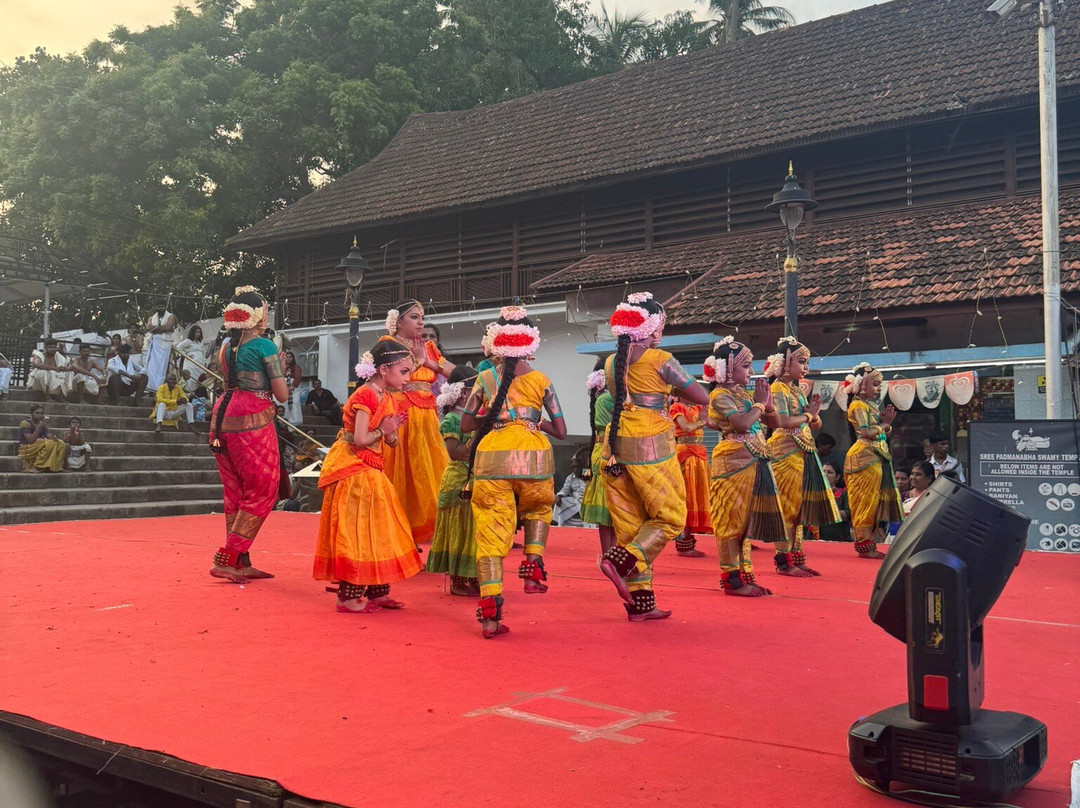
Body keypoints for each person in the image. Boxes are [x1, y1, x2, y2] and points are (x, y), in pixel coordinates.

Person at [596, 292, 709, 621]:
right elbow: (700, 395)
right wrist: (671, 387)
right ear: (654, 329)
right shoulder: (661, 360)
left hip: (615, 447)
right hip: (650, 443)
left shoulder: (609, 362)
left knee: (633, 525)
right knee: (671, 517)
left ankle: (641, 604)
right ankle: (618, 560)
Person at [461, 305, 567, 639]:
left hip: (492, 458)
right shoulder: (541, 380)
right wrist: (531, 421)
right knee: (538, 508)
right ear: (530, 342)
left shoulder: (485, 377)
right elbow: (562, 430)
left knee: (490, 535)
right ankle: (533, 567)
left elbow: (466, 423)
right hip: (534, 457)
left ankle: (490, 613)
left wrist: (495, 418)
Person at [313, 340, 421, 613]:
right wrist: (384, 430)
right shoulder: (365, 395)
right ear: (384, 370)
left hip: (371, 465)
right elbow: (361, 438)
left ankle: (378, 592)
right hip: (353, 467)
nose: (407, 378)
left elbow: (391, 441)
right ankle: (348, 597)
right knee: (358, 531)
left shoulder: (386, 396)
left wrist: (393, 430)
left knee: (380, 526)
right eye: (404, 371)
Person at [207, 286, 288, 583]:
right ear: (257, 315)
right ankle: (228, 556)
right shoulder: (264, 345)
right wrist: (279, 364)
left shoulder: (225, 347)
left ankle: (240, 561)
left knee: (235, 493)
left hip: (221, 417)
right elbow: (282, 395)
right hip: (251, 418)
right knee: (263, 489)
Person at [704, 337, 786, 597]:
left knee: (745, 523)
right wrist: (760, 404)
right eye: (746, 366)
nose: (751, 371)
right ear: (728, 368)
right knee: (731, 521)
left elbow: (772, 423)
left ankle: (745, 574)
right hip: (732, 461)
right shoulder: (719, 395)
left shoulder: (741, 393)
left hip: (753, 457)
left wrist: (768, 404)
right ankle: (731, 580)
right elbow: (741, 424)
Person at [378, 300, 456, 544]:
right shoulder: (387, 345)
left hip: (427, 419)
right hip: (399, 415)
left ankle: (423, 534)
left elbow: (459, 373)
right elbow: (379, 378)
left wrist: (429, 362)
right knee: (400, 475)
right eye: (414, 317)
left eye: (422, 317)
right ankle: (397, 537)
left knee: (430, 475)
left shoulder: (429, 347)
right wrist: (416, 362)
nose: (421, 322)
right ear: (398, 321)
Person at [764, 336, 840, 578]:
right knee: (787, 507)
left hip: (802, 451)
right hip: (785, 452)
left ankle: (797, 557)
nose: (805, 367)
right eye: (801, 362)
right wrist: (808, 417)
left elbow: (816, 424)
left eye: (806, 362)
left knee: (798, 509)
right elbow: (783, 422)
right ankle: (783, 560)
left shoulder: (797, 390)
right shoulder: (777, 388)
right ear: (786, 362)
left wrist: (813, 415)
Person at [427, 366, 481, 597]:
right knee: (459, 531)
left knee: (473, 530)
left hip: (476, 478)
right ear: (463, 393)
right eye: (476, 390)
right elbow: (455, 453)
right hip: (458, 479)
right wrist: (475, 439)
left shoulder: (474, 417)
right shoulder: (451, 419)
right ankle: (458, 580)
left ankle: (474, 576)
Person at [842, 363, 903, 559]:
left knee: (872, 502)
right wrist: (884, 424)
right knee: (864, 502)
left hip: (874, 457)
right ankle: (864, 545)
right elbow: (867, 432)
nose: (878, 388)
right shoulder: (858, 405)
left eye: (879, 384)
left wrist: (884, 423)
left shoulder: (869, 405)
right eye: (875, 384)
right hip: (863, 458)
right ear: (861, 384)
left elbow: (876, 430)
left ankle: (868, 543)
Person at [669, 395, 710, 558]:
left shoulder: (697, 408)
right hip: (686, 455)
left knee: (697, 497)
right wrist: (702, 422)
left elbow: (712, 423)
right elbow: (685, 428)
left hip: (699, 456)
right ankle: (684, 544)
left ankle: (689, 541)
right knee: (686, 497)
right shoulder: (677, 407)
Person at [581, 359, 615, 552]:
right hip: (607, 451)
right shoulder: (608, 399)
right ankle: (610, 552)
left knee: (610, 506)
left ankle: (610, 552)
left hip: (603, 450)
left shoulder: (603, 397)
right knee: (609, 505)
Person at [18, 405, 67, 473]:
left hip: (40, 444)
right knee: (49, 444)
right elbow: (30, 440)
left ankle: (56, 467)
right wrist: (39, 428)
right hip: (27, 447)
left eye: (41, 413)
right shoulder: (25, 423)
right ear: (31, 414)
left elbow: (48, 435)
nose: (40, 415)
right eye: (37, 413)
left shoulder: (43, 423)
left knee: (61, 443)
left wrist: (53, 437)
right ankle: (35, 466)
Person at [143, 300, 177, 392]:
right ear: (155, 307)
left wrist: (155, 328)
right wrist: (161, 328)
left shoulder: (171, 316)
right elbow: (148, 328)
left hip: (165, 344)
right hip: (154, 344)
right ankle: (150, 388)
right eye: (158, 306)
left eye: (162, 306)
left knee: (162, 368)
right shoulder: (152, 317)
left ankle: (159, 389)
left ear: (165, 306)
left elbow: (168, 327)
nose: (160, 308)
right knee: (152, 367)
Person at [816, 461, 853, 542]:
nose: (825, 475)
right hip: (814, 538)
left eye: (829, 472)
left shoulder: (844, 493)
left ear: (837, 477)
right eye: (823, 471)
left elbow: (848, 514)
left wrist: (826, 512)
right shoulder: (813, 493)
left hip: (838, 539)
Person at [554, 447, 590, 526]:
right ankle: (560, 523)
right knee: (560, 501)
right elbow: (565, 489)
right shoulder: (570, 477)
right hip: (575, 500)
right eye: (574, 467)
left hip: (588, 500)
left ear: (581, 466)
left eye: (577, 467)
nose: (576, 469)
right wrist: (559, 495)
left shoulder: (588, 473)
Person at [283, 351, 305, 425]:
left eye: (290, 357)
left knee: (294, 405)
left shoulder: (296, 367)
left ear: (293, 358)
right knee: (283, 405)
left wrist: (292, 386)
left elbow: (297, 378)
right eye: (287, 357)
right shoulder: (282, 367)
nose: (288, 359)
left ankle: (293, 424)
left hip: (293, 390)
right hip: (283, 389)